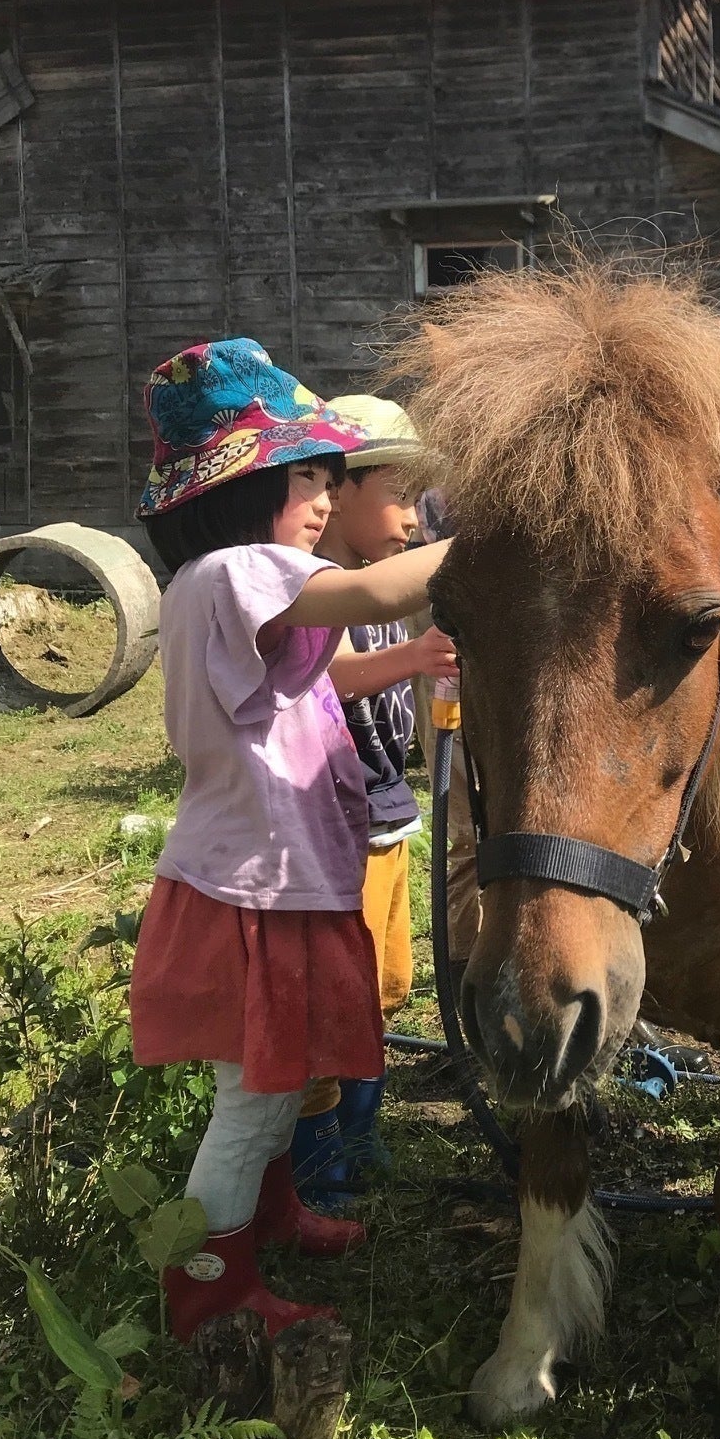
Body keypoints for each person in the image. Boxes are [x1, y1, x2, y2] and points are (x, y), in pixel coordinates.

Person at [131, 339, 454, 1339]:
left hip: (260, 875)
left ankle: (272, 1215)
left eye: (326, 478)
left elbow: (319, 680)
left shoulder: (220, 588)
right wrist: (511, 532)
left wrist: (403, 657)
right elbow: (371, 592)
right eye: (303, 478)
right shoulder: (240, 571)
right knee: (257, 1100)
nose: (322, 498)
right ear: (241, 490)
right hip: (255, 887)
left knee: (271, 1078)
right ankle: (208, 1288)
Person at [288, 395, 455, 1208]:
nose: (416, 521)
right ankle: (320, 1162)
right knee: (332, 992)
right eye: (402, 496)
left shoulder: (388, 585)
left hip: (389, 807)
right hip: (335, 820)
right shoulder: (325, 586)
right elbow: (341, 671)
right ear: (341, 492)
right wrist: (420, 654)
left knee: (386, 981)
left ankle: (363, 1129)